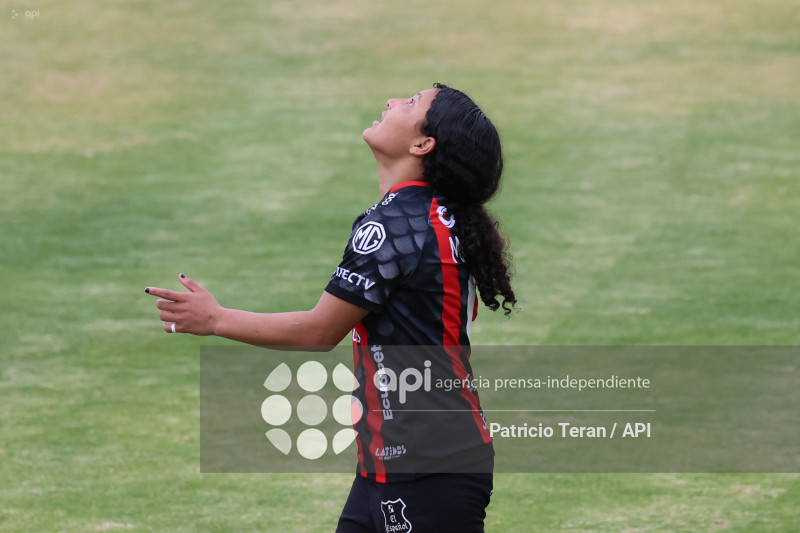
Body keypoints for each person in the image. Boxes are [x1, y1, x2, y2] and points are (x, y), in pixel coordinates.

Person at [145, 83, 516, 533]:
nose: (392, 102)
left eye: (411, 102)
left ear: (423, 144)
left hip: (426, 470)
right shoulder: (435, 217)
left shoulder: (396, 225)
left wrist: (217, 319)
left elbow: (319, 332)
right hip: (402, 464)